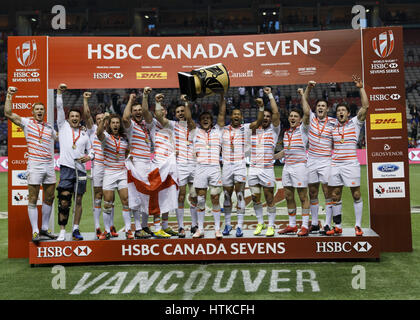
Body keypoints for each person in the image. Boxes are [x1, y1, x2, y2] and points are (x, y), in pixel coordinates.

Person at [4, 86, 57, 242]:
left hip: (49, 165)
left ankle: (45, 229)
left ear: (44, 112)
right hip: (35, 165)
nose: (39, 111)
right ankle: (35, 231)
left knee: (50, 197)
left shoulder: (49, 127)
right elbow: (8, 113)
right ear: (33, 112)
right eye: (37, 109)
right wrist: (9, 96)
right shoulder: (27, 123)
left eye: (42, 109)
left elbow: (60, 138)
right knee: (33, 198)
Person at [327, 75, 369, 236]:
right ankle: (337, 225)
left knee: (356, 194)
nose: (340, 112)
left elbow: (365, 106)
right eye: (338, 111)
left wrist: (360, 87)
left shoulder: (355, 123)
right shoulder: (332, 127)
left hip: (351, 164)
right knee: (335, 195)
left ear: (348, 113)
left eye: (343, 110)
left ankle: (358, 225)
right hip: (335, 164)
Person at [218, 96, 264, 237]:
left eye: (239, 114)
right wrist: (223, 101)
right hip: (226, 165)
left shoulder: (246, 128)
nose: (236, 116)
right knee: (226, 196)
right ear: (231, 116)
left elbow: (260, 121)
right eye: (234, 114)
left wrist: (261, 107)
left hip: (240, 164)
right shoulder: (223, 129)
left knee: (239, 195)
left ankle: (239, 226)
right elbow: (220, 115)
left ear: (241, 117)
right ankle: (227, 225)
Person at [154, 94, 197, 238]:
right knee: (181, 196)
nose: (180, 114)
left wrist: (186, 103)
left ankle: (195, 225)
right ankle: (180, 227)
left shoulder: (193, 125)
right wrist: (158, 103)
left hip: (194, 164)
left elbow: (190, 119)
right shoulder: (173, 125)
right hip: (180, 165)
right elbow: (160, 118)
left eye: (182, 111)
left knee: (194, 196)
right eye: (178, 112)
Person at [56, 83, 94, 241]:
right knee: (64, 200)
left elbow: (92, 150)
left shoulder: (85, 134)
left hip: (81, 170)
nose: (74, 118)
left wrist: (89, 157)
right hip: (66, 169)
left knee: (78, 200)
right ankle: (62, 230)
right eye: (72, 116)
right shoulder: (63, 126)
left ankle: (76, 229)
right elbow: (59, 109)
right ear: (68, 117)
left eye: (77, 117)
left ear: (80, 119)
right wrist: (59, 94)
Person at [300, 81, 336, 234]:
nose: (320, 108)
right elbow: (304, 106)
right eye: (318, 106)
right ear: (315, 108)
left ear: (327, 109)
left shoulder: (334, 122)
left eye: (323, 106)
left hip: (326, 160)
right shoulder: (311, 119)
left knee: (328, 192)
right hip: (312, 160)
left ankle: (327, 224)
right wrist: (307, 89)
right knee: (312, 192)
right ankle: (314, 223)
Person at [82, 93, 119, 239]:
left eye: (103, 119)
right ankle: (98, 227)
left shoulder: (111, 132)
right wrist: (85, 100)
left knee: (110, 198)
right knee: (98, 196)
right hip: (98, 166)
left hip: (110, 167)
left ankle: (110, 225)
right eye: (98, 119)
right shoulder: (93, 131)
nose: (100, 121)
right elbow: (86, 114)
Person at [122, 87, 155, 239]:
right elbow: (124, 119)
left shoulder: (146, 125)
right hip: (137, 163)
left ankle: (144, 226)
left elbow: (148, 112)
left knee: (146, 196)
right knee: (137, 197)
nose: (138, 112)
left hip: (147, 162)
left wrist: (145, 98)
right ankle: (137, 229)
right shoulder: (131, 127)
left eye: (139, 109)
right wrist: (130, 100)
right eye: (135, 110)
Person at [247, 87, 281, 237]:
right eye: (264, 116)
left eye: (268, 116)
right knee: (255, 198)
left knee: (269, 198)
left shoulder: (274, 131)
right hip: (253, 169)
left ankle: (271, 225)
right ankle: (260, 223)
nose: (266, 118)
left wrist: (270, 95)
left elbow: (276, 113)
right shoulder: (253, 130)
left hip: (267, 170)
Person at [192, 94, 225, 239]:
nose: (205, 120)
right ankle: (200, 229)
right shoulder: (195, 132)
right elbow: (187, 117)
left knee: (215, 198)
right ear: (200, 121)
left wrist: (222, 96)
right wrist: (187, 102)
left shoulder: (218, 130)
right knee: (200, 200)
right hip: (200, 168)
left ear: (212, 121)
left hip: (214, 168)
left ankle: (217, 229)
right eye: (203, 118)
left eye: (208, 118)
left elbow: (222, 113)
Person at [277, 94, 310, 236]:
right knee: (289, 196)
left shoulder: (303, 130)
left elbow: (307, 113)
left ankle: (304, 226)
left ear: (301, 119)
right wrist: (269, 157)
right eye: (291, 116)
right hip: (287, 167)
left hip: (300, 167)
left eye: (296, 116)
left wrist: (303, 95)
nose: (292, 118)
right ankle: (292, 225)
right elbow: (286, 151)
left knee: (303, 197)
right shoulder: (286, 133)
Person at [96, 113, 131, 239]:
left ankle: (128, 230)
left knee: (126, 201)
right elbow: (98, 133)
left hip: (122, 172)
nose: (115, 125)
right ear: (109, 125)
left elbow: (127, 152)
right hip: (109, 173)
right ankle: (107, 231)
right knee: (107, 203)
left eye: (117, 122)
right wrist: (103, 120)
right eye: (113, 123)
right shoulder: (105, 137)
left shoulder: (124, 139)